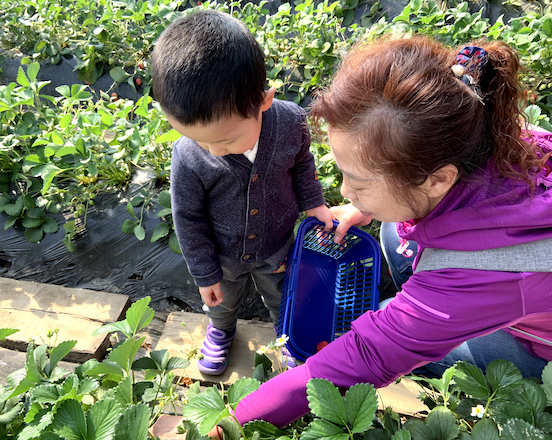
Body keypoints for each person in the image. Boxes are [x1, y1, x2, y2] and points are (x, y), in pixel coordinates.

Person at [230, 36, 552, 427]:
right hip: (524, 295)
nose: (345, 193)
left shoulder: (487, 273)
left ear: (437, 179)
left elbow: (367, 355)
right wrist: (367, 203)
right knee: (393, 235)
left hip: (540, 346)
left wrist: (233, 421)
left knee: (377, 317)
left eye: (359, 184)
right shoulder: (490, 130)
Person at [150, 9, 333, 376]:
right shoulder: (188, 154)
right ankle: (221, 330)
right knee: (222, 300)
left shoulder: (291, 123)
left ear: (263, 102)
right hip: (223, 257)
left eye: (227, 140)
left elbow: (301, 166)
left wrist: (314, 203)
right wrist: (204, 273)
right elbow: (188, 217)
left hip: (279, 246)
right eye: (198, 140)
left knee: (284, 296)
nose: (213, 150)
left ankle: (287, 336)